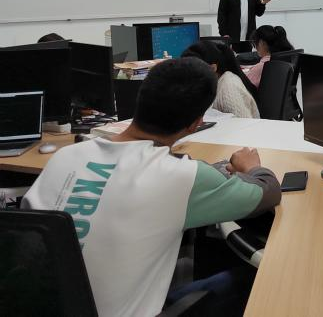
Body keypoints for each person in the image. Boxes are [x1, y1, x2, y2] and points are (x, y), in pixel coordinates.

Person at [22, 58, 280, 317]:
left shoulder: (65, 156)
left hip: (38, 306)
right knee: (258, 278)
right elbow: (268, 192)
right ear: (196, 122)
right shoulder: (183, 177)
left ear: (140, 101)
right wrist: (251, 167)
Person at [182, 40, 260, 118]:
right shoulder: (214, 85)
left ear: (213, 68)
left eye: (193, 73)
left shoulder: (228, 88)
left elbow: (243, 122)